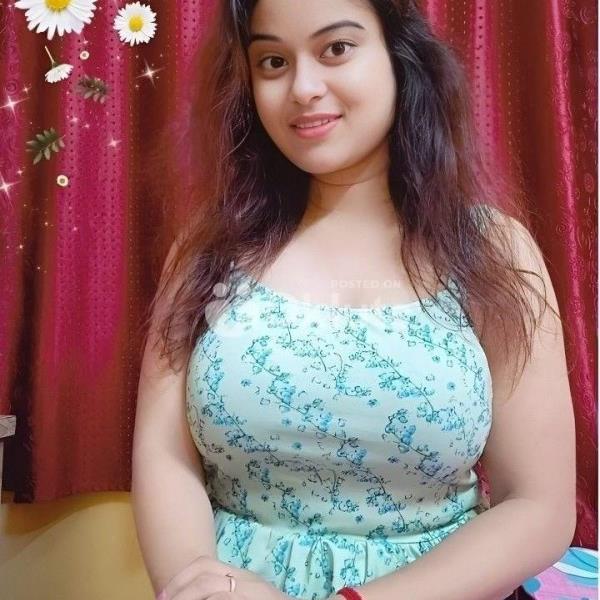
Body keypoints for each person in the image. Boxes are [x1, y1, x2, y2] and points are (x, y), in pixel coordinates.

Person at [131, 1, 576, 599]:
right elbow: (164, 456)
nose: (302, 88)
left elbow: (539, 506)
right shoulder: (208, 249)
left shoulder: (491, 250)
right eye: (272, 62)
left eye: (336, 49)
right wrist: (203, 583)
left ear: (400, 56)